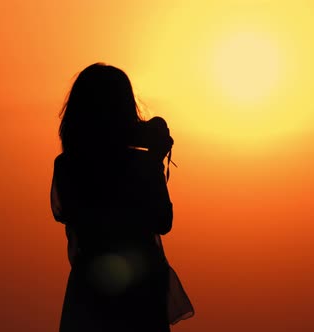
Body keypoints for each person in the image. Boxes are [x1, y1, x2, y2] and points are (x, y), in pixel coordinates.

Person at [50, 63, 180, 332]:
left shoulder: (67, 166)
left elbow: (79, 219)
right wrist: (153, 161)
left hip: (88, 295)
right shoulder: (139, 164)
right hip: (139, 297)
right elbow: (162, 220)